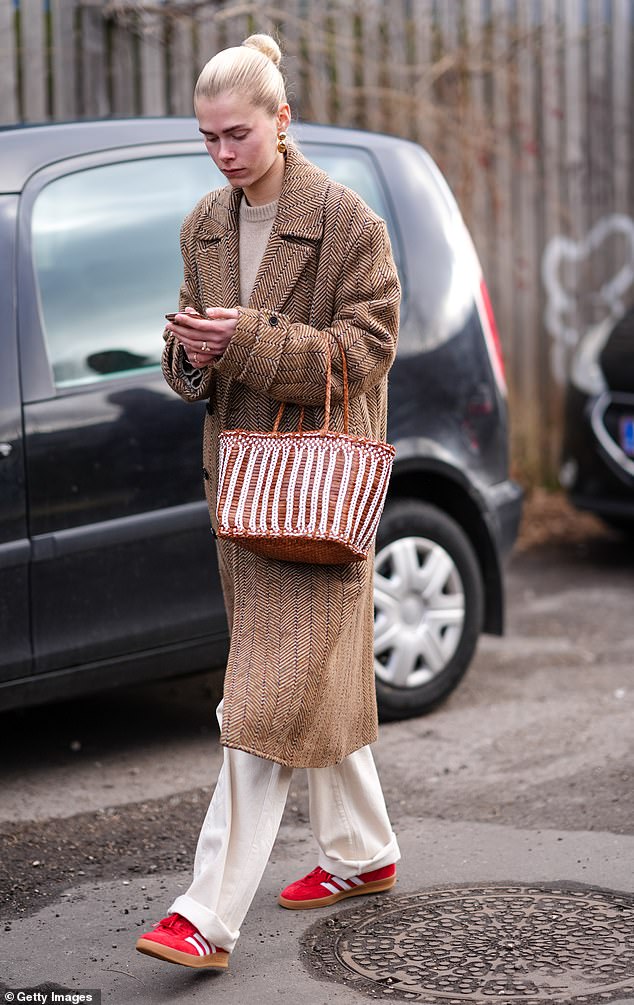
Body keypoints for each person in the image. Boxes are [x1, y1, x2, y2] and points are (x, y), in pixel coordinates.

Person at [135, 32, 401, 972]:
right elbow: (190, 362)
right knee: (301, 684)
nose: (220, 154)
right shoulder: (204, 222)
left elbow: (361, 355)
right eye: (206, 137)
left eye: (236, 134)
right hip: (243, 498)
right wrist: (189, 355)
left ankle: (204, 915)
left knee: (258, 702)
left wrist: (245, 338)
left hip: (319, 495)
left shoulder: (349, 223)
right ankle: (364, 854)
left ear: (282, 122)